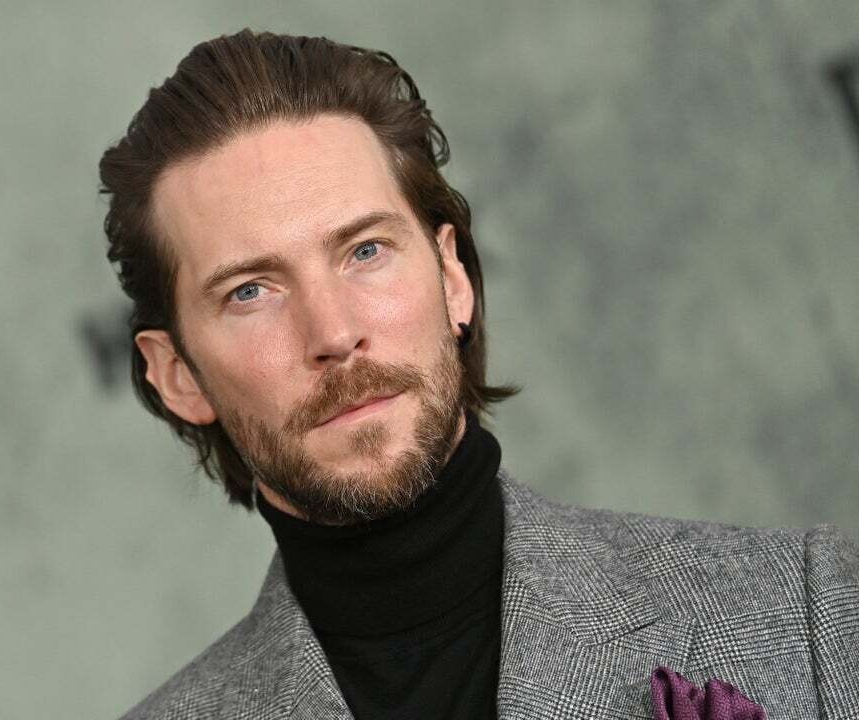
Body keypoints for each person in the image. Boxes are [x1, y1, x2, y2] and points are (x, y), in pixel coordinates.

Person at [98, 29, 858, 720]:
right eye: (250, 292)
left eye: (365, 251)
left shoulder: (805, 606)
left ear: (452, 277)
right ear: (178, 376)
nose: (332, 333)